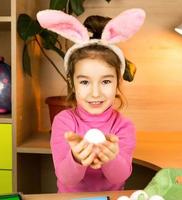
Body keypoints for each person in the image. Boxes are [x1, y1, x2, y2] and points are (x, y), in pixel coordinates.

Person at [37, 8, 145, 192]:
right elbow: (66, 179)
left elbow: (120, 176)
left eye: (105, 81)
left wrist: (111, 158)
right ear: (72, 82)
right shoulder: (64, 122)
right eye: (85, 82)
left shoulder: (123, 126)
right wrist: (77, 158)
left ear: (118, 81)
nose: (95, 93)